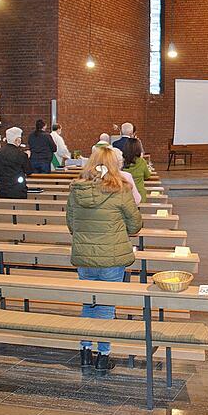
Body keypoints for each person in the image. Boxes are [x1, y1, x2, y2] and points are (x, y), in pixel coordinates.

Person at [67, 145, 142, 374]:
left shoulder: (77, 190)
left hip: (85, 258)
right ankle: (103, 355)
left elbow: (71, 224)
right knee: (106, 306)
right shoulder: (121, 190)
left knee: (88, 304)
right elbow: (135, 225)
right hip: (111, 257)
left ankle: (85, 351)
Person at [0, 127, 33, 199]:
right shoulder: (21, 154)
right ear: (17, 140)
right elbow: (28, 171)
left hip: (3, 190)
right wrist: (28, 158)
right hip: (18, 191)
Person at [122, 138, 151, 202]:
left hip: (125, 195)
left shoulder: (122, 162)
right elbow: (147, 176)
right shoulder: (142, 161)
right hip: (139, 194)